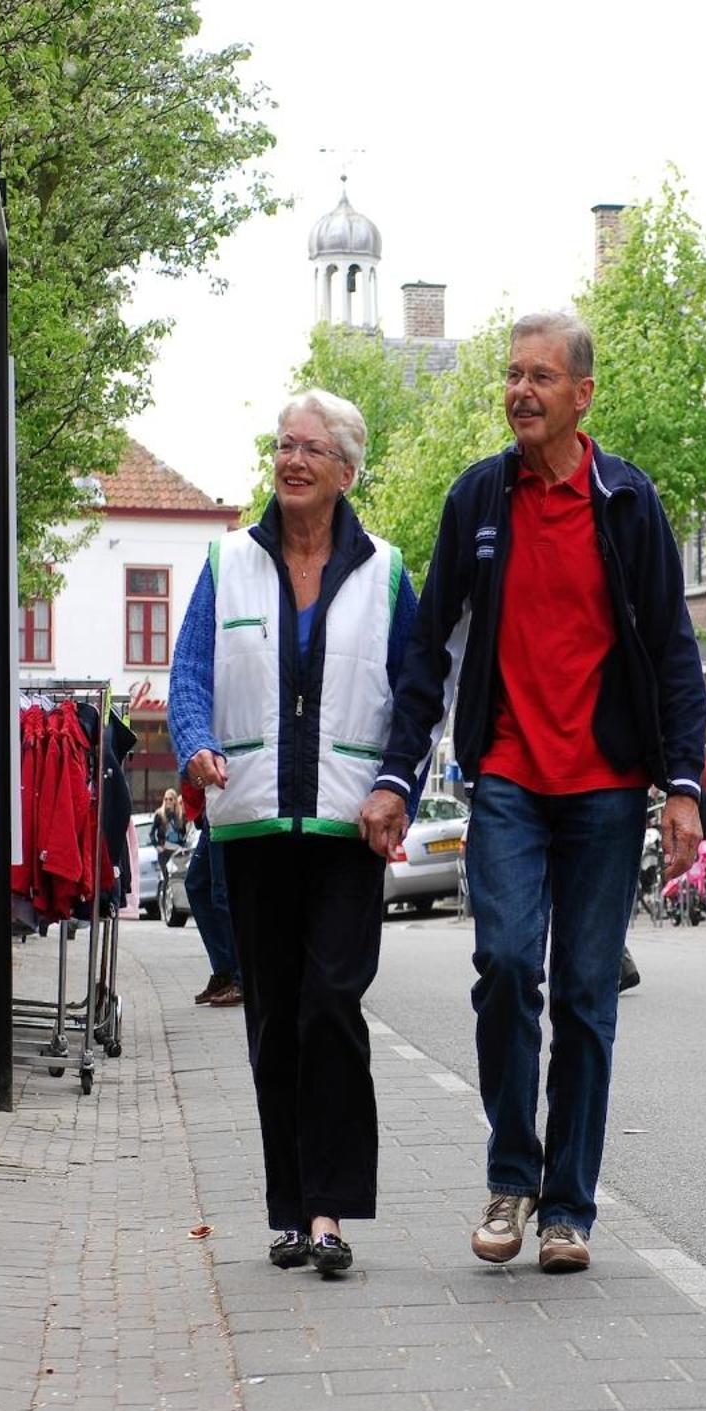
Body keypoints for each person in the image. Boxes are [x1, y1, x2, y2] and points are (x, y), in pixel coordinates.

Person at [359, 311, 706, 1275]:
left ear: (582, 394)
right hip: (507, 776)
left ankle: (569, 1208)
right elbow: (427, 652)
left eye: (540, 377)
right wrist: (397, 775)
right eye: (512, 375)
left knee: (588, 997)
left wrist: (684, 786)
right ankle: (512, 1172)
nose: (520, 391)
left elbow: (674, 652)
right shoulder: (478, 499)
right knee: (509, 968)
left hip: (604, 787)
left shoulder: (628, 504)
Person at [168, 387, 419, 1278]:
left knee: (331, 1008)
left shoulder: (388, 572)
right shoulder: (228, 561)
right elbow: (190, 671)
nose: (293, 461)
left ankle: (330, 1212)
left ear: (347, 470)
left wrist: (397, 784)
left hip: (350, 827)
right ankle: (288, 1209)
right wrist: (194, 743)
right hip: (254, 824)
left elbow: (416, 701)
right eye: (283, 446)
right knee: (275, 1019)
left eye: (312, 449)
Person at [178, 778, 243, 1008]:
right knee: (196, 885)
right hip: (211, 806)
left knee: (222, 893)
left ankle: (240, 978)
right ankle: (225, 969)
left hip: (225, 802)